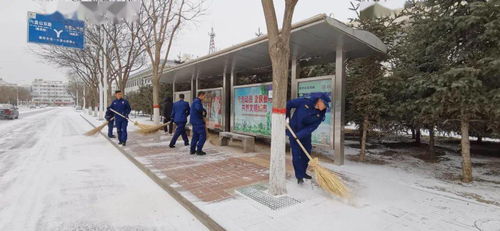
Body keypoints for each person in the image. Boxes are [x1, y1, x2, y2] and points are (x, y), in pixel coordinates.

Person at [286, 93, 330, 184]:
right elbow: (289, 104)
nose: (325, 107)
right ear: (319, 101)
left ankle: (303, 172)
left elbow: (313, 126)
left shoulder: (321, 114)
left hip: (305, 134)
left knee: (307, 153)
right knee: (296, 154)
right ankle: (299, 176)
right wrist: (287, 117)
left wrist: (300, 135)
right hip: (293, 131)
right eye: (325, 104)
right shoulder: (304, 102)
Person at [189, 91, 207, 155]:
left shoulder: (195, 101)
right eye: (204, 96)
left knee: (195, 136)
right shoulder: (197, 101)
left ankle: (192, 150)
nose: (204, 98)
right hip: (198, 122)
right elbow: (198, 109)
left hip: (194, 121)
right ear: (201, 95)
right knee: (203, 136)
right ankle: (199, 150)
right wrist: (203, 110)